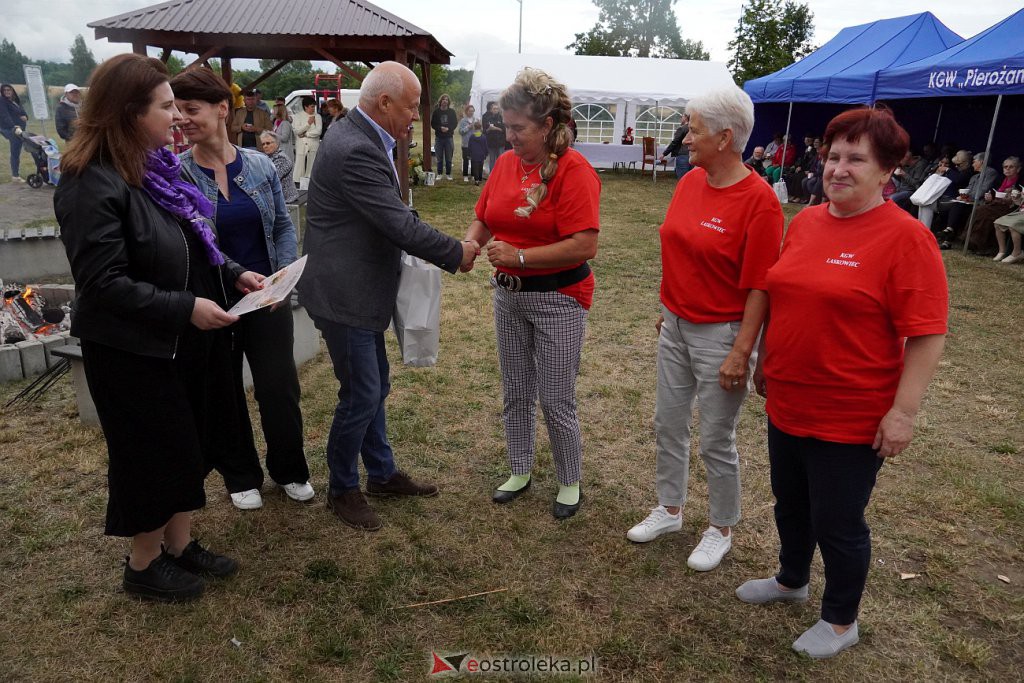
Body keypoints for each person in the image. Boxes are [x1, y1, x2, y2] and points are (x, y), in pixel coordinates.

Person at [736, 106, 948, 659]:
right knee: (790, 501)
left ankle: (840, 621)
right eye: (833, 156)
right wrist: (764, 359)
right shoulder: (806, 221)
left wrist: (903, 413)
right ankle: (790, 580)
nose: (839, 168)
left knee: (838, 521)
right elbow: (785, 296)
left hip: (850, 414)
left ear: (888, 173)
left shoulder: (906, 239)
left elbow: (927, 335)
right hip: (788, 398)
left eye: (857, 158)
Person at [54, 54, 262, 601]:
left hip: (175, 341)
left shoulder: (151, 170)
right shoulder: (88, 182)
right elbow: (103, 283)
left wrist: (235, 273)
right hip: (130, 349)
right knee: (152, 456)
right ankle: (143, 564)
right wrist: (184, 307)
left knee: (185, 449)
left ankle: (178, 544)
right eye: (167, 106)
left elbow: (192, 244)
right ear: (129, 112)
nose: (177, 117)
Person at [298, 61, 479, 531]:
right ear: (384, 103)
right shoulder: (356, 147)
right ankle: (343, 487)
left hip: (356, 290)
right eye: (411, 107)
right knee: (361, 393)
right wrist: (456, 252)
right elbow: (397, 222)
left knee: (373, 386)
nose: (415, 117)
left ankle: (380, 473)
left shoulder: (358, 135)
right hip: (344, 294)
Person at [625, 87, 783, 570]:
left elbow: (760, 286)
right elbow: (679, 248)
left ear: (726, 136)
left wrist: (741, 350)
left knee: (717, 436)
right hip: (675, 324)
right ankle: (670, 509)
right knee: (668, 423)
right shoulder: (690, 182)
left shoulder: (760, 203)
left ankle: (721, 526)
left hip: (722, 333)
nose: (685, 137)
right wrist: (668, 305)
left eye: (693, 128)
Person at [461, 67, 600, 520]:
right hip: (508, 297)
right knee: (516, 389)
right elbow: (484, 216)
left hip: (559, 300)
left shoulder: (575, 171)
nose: (509, 135)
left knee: (556, 396)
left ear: (547, 126)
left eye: (518, 128)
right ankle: (520, 469)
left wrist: (520, 256)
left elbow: (584, 244)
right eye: (505, 125)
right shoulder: (504, 164)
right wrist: (470, 245)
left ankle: (569, 480)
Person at [171, 68, 313, 510]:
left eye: (190, 109)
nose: (180, 118)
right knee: (225, 391)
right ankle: (240, 474)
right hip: (213, 303)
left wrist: (283, 273)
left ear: (220, 110)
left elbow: (283, 223)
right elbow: (191, 242)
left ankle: (290, 469)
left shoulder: (260, 164)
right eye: (175, 110)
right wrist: (232, 277)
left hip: (265, 299)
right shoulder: (177, 173)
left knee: (279, 386)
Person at [935, 152, 999, 249]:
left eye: (974, 162)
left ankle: (948, 236)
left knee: (957, 208)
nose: (972, 164)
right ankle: (948, 236)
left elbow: (983, 190)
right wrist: (962, 196)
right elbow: (968, 189)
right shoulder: (974, 176)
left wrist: (968, 197)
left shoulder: (990, 172)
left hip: (980, 203)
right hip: (968, 203)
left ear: (981, 162)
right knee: (954, 206)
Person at [967, 156, 1020, 255]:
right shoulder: (1000, 180)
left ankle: (983, 246)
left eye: (1011, 167)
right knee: (980, 211)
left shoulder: (1019, 182)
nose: (1007, 169)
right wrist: (990, 198)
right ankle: (972, 242)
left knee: (984, 212)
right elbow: (993, 194)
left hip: (1011, 209)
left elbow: (1018, 201)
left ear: (1018, 169)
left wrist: (1009, 197)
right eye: (1005, 167)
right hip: (996, 206)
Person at [260, 130, 299, 203]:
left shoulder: (282, 158)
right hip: (275, 197)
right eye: (263, 144)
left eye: (268, 143)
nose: (265, 146)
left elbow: (271, 178)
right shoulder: (268, 157)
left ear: (277, 144)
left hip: (285, 199)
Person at [0, 83, 28, 182]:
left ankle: (15, 174)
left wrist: (25, 117)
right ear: (2, 92)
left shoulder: (15, 101)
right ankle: (15, 176)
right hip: (11, 129)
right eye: (5, 90)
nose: (7, 92)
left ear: (12, 91)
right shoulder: (2, 101)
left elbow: (23, 113)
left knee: (18, 150)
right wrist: (14, 126)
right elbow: (5, 115)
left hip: (20, 129)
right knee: (15, 151)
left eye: (9, 90)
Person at [293, 96, 322, 182]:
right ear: (306, 106)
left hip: (313, 145)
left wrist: (306, 134)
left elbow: (318, 131)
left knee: (312, 165)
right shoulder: (298, 116)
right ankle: (297, 182)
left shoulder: (317, 116)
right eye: (312, 106)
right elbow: (297, 131)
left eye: (314, 106)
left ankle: (311, 182)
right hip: (301, 145)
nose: (314, 108)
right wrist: (308, 124)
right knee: (300, 165)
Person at [993, 186, 1024, 263]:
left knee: (1014, 225)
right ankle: (1002, 251)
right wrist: (1017, 197)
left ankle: (1017, 252)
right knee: (998, 223)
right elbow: (1019, 203)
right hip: (1021, 212)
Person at [430, 93, 457, 181]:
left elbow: (455, 123)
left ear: (448, 102)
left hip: (449, 137)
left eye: (446, 100)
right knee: (439, 157)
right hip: (439, 137)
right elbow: (433, 124)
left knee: (449, 157)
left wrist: (448, 128)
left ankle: (448, 173)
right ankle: (440, 173)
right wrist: (440, 128)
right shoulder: (436, 112)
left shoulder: (451, 112)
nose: (445, 101)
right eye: (443, 99)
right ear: (440, 101)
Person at [660, 114, 691, 178]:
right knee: (690, 179)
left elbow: (674, 142)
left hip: (683, 155)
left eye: (682, 117)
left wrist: (664, 154)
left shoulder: (682, 128)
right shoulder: (694, 129)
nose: (681, 119)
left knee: (682, 179)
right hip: (692, 155)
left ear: (685, 118)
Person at [482, 100, 505, 174]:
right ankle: (492, 174)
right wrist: (489, 129)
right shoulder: (487, 118)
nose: (496, 110)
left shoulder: (501, 117)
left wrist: (496, 128)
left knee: (500, 159)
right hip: (491, 142)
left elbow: (504, 130)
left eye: (497, 109)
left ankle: (500, 174)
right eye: (494, 109)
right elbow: (485, 131)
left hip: (500, 142)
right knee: (491, 159)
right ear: (491, 109)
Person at [457, 103, 479, 183]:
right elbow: (461, 132)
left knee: (474, 160)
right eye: (470, 111)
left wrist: (477, 130)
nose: (471, 112)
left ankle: (473, 175)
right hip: (466, 144)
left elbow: (479, 132)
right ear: (466, 112)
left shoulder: (476, 120)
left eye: (473, 111)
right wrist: (468, 127)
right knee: (466, 160)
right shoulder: (463, 120)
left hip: (474, 144)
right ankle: (465, 175)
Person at [467, 120, 488, 186]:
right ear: (481, 128)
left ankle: (476, 180)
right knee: (480, 167)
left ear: (474, 128)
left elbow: (469, 146)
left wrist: (469, 154)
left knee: (475, 167)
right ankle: (480, 178)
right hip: (481, 154)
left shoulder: (472, 137)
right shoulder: (483, 137)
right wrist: (486, 153)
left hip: (474, 154)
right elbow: (485, 146)